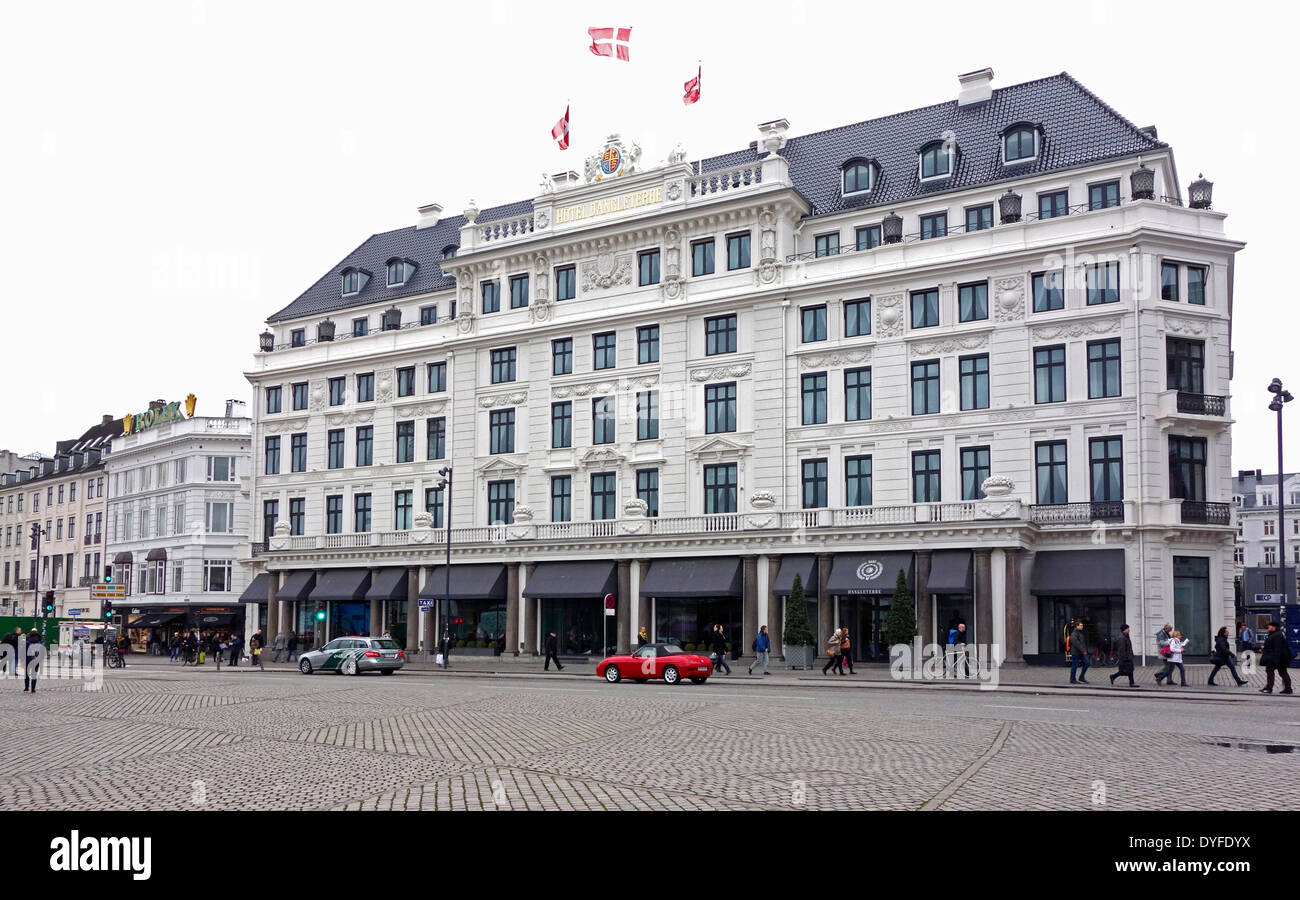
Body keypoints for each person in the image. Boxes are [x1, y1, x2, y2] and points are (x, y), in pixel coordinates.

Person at [1260, 620, 1294, 694]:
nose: (1268, 628)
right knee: (1279, 672)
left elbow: (1278, 648)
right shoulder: (1274, 634)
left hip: (1277, 658)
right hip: (1276, 658)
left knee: (1278, 672)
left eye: (1269, 626)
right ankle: (1270, 687)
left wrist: (1276, 660)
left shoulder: (1277, 635)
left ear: (1274, 627)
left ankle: (1271, 688)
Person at [1069, 620, 1090, 684]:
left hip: (1081, 652)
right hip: (1076, 653)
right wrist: (1083, 650)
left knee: (1087, 663)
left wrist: (1084, 650)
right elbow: (1076, 643)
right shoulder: (1074, 633)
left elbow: (1082, 643)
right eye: (1081, 625)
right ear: (1077, 626)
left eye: (1082, 625)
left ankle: (1081, 677)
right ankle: (1072, 679)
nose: (1082, 626)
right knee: (1074, 666)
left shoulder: (1080, 632)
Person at [23, 628, 43, 693]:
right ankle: (33, 689)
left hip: (27, 659)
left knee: (26, 674)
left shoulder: (27, 641)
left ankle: (26, 687)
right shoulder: (39, 642)